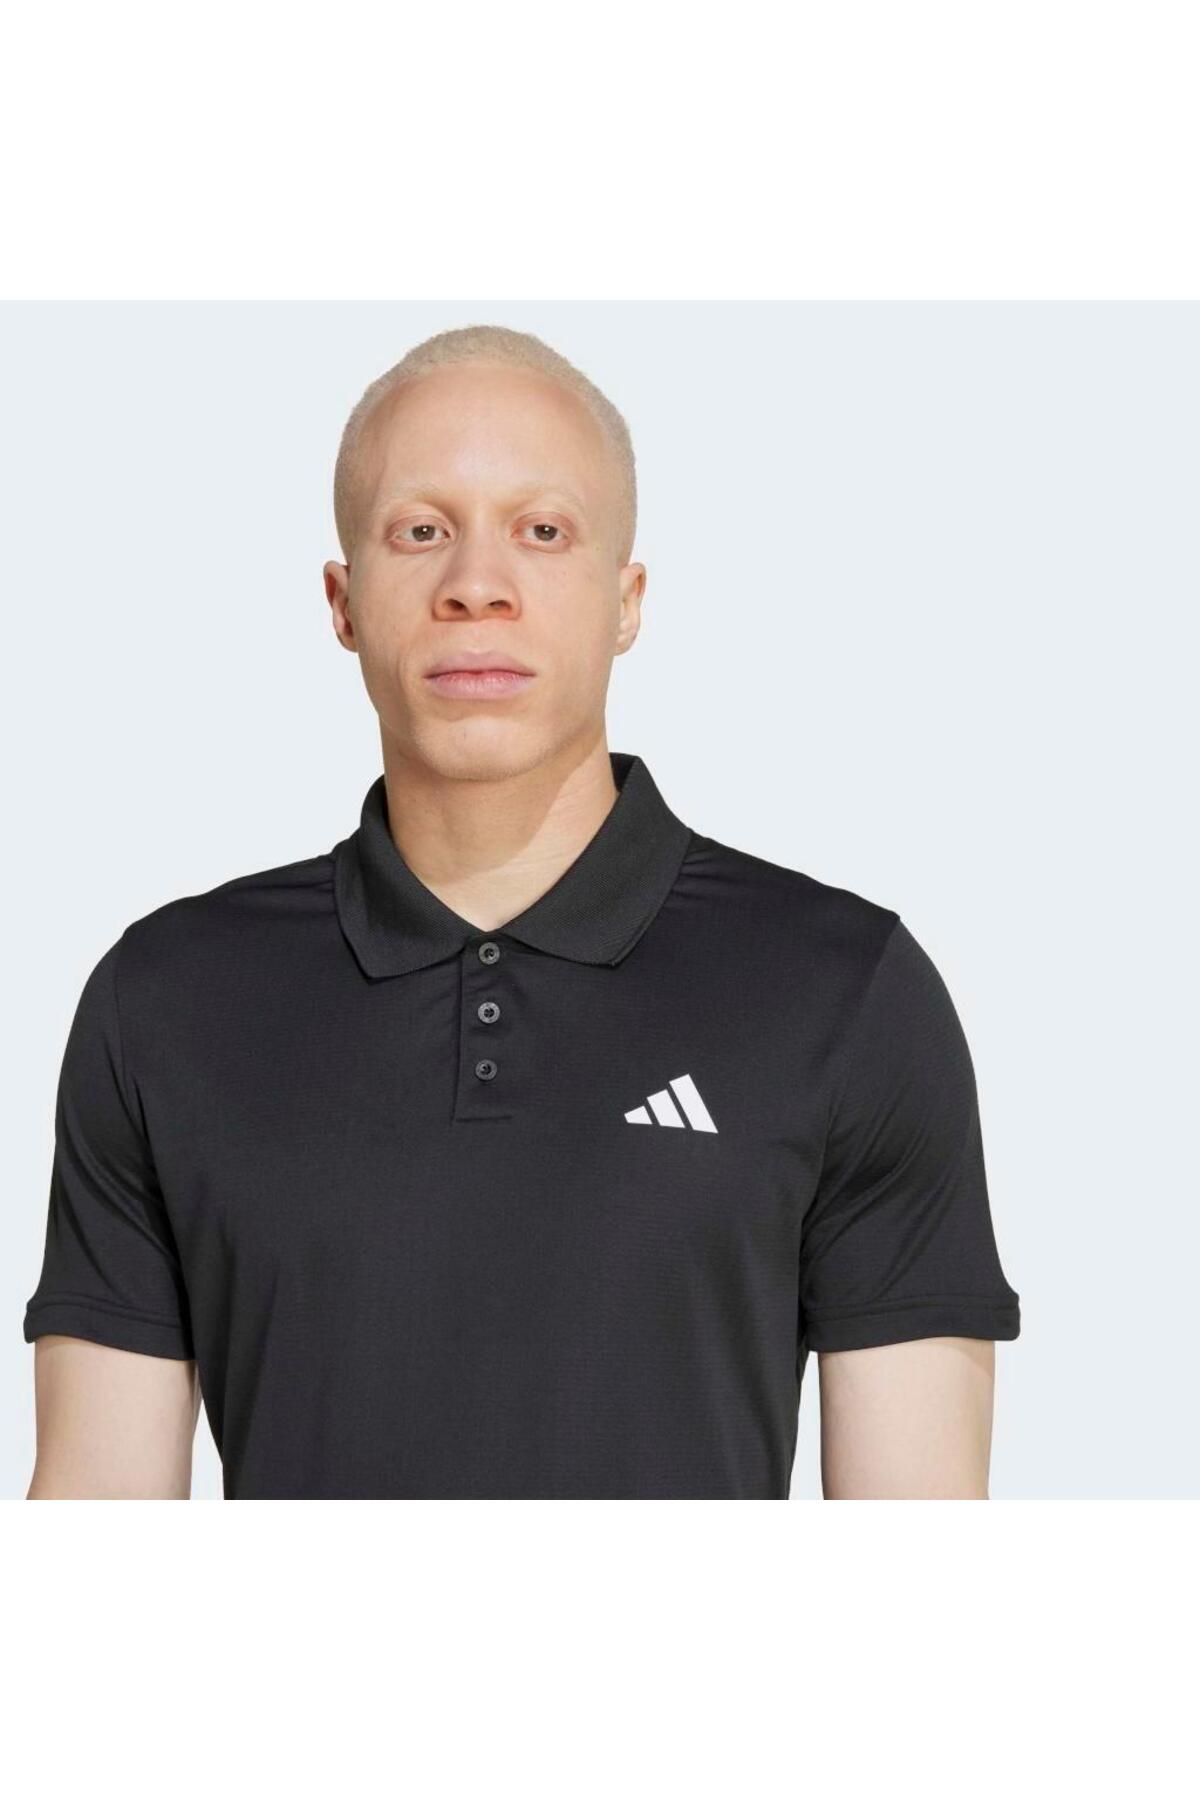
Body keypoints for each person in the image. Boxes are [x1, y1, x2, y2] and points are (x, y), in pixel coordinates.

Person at [23, 323, 1020, 1500]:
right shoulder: (167, 1002)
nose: (475, 586)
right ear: (343, 601)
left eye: (542, 531)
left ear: (626, 599)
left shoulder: (844, 992)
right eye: (420, 531)